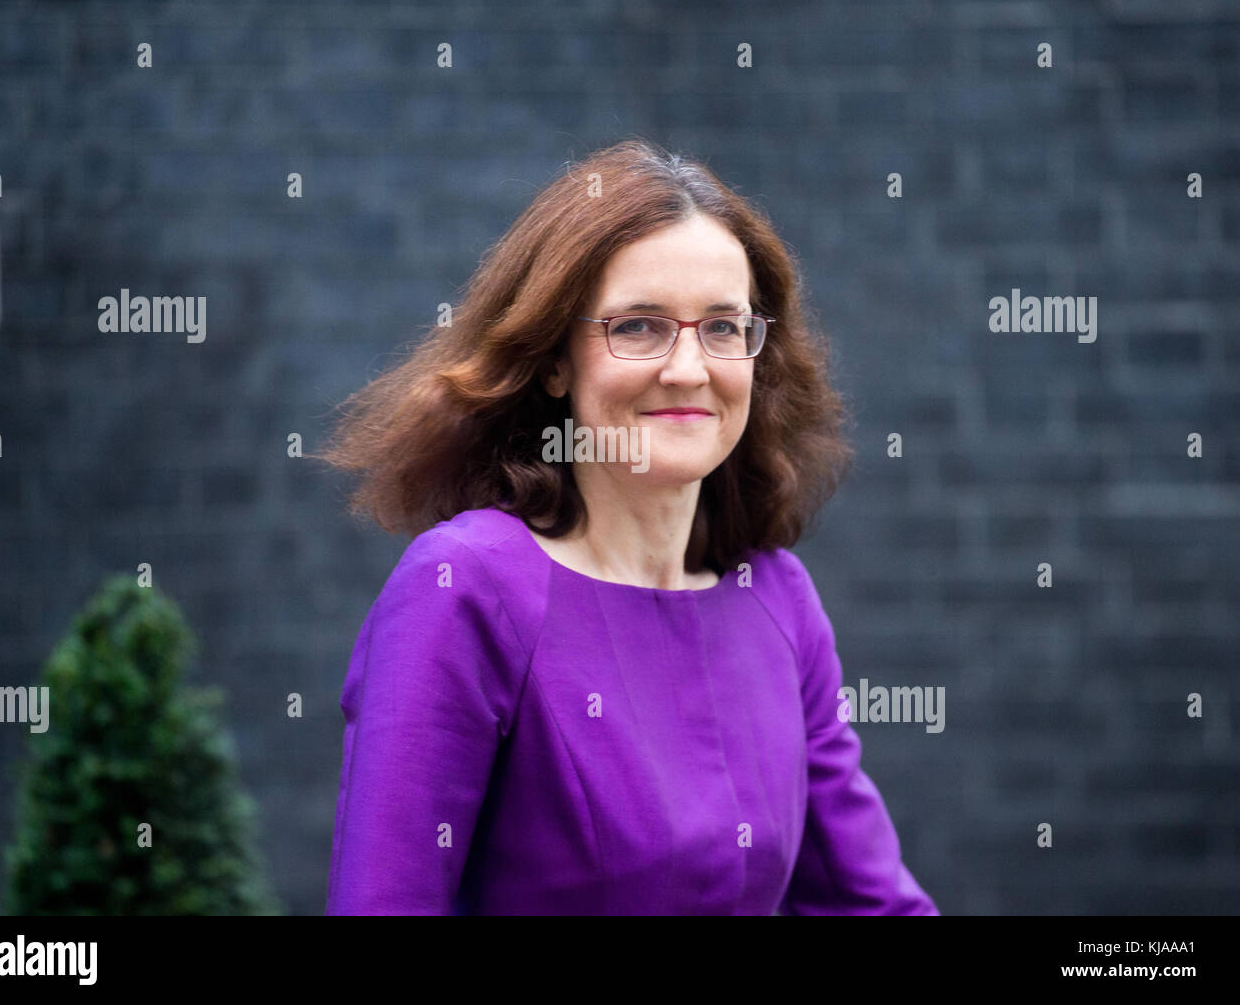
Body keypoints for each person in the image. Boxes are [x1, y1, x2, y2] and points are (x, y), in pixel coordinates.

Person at [318, 137, 939, 915]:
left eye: (723, 327)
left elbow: (868, 903)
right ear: (552, 360)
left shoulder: (774, 598)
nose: (688, 369)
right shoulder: (465, 588)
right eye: (639, 326)